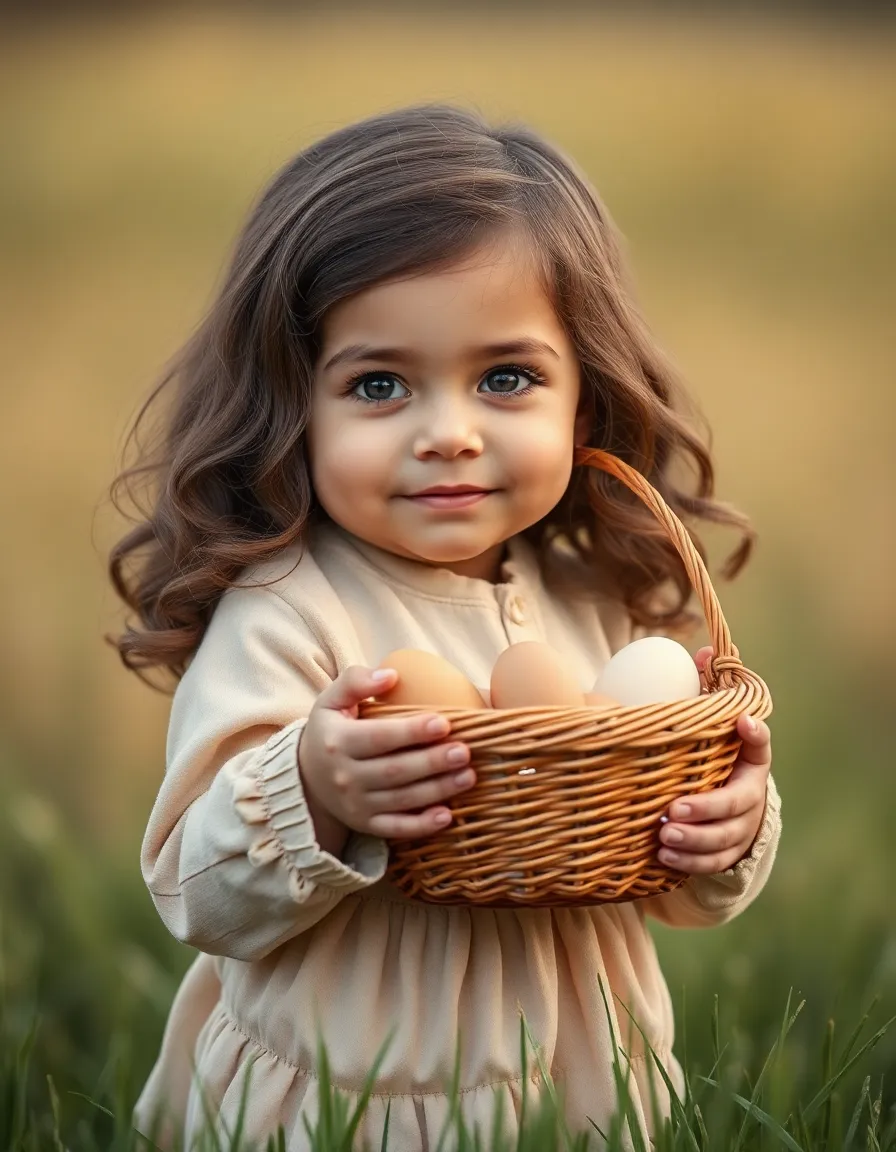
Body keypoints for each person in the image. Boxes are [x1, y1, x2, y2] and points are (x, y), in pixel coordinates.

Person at [109, 102, 780, 1150]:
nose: (449, 435)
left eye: (504, 378)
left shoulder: (595, 599)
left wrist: (719, 837)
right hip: (354, 1089)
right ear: (294, 409)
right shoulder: (290, 611)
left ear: (582, 406)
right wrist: (315, 790)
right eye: (379, 384)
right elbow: (196, 896)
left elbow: (674, 898)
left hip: (573, 1077)